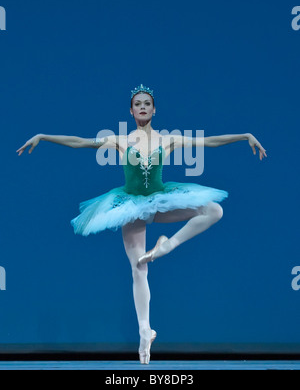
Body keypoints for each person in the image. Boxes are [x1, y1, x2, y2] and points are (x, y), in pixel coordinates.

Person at [16, 83, 267, 364]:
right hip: (131, 207)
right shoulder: (121, 140)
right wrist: (43, 136)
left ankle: (168, 245)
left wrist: (245, 136)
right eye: (138, 103)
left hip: (161, 201)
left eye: (147, 102)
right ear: (131, 111)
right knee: (139, 269)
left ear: (155, 109)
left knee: (214, 210)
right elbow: (80, 141)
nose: (143, 107)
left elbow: (209, 141)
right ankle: (144, 331)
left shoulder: (168, 139)